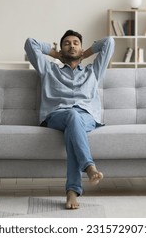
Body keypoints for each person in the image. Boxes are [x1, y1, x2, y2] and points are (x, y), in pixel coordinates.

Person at [24, 30, 114, 209]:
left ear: (81, 49)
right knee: (72, 115)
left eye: (75, 43)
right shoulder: (49, 69)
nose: (71, 45)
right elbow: (30, 43)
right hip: (57, 115)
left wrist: (86, 53)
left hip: (86, 117)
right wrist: (55, 54)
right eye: (67, 43)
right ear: (61, 49)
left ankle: (72, 192)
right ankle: (88, 166)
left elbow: (109, 42)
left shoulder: (93, 71)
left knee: (74, 125)